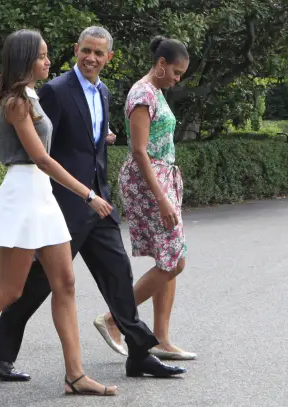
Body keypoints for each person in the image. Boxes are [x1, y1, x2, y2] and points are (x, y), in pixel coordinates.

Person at [0, 26, 187, 382]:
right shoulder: (55, 91)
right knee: (38, 284)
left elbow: (90, 145)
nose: (91, 58)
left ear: (109, 58)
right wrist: (77, 193)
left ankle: (139, 354)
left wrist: (100, 149)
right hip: (65, 203)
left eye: (99, 53)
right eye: (86, 50)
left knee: (118, 276)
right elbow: (40, 148)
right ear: (76, 50)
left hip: (98, 200)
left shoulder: (103, 91)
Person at [0, 29, 117, 397]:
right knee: (9, 289)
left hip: (40, 195)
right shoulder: (17, 101)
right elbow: (42, 158)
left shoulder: (32, 95)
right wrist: (87, 193)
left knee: (65, 283)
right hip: (23, 194)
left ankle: (75, 375)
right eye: (42, 55)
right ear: (25, 60)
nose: (49, 61)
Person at [96, 36, 196, 361]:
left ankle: (161, 340)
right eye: (176, 72)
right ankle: (114, 318)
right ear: (161, 63)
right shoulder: (142, 93)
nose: (178, 78)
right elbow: (139, 150)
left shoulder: (156, 92)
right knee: (174, 260)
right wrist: (163, 199)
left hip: (162, 178)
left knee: (166, 260)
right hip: (149, 181)